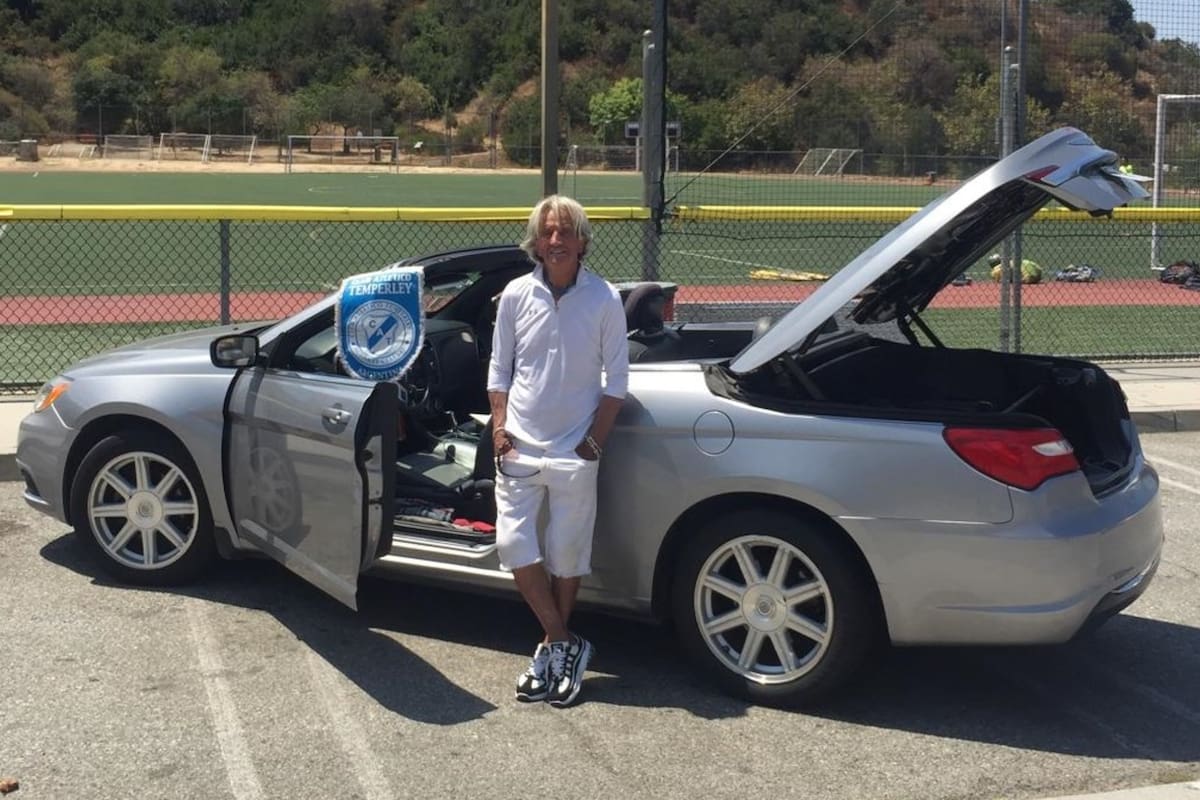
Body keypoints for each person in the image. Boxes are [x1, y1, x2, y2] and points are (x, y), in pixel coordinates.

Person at [486, 195, 628, 707]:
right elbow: (499, 370)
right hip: (520, 446)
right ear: (536, 241)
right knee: (514, 545)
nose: (555, 241)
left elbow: (617, 381)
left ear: (583, 241)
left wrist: (593, 443)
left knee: (568, 554)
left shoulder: (604, 298)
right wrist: (500, 429)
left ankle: (551, 650)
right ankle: (563, 642)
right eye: (547, 232)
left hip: (576, 449)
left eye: (566, 232)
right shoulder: (515, 295)